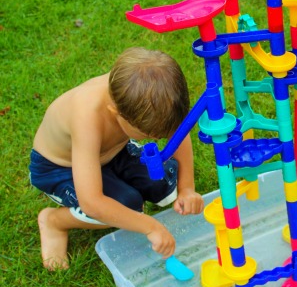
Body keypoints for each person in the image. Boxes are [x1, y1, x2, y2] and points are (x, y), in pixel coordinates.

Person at [30, 47, 205, 270]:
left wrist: (187, 188)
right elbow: (91, 202)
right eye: (148, 134)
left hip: (113, 151)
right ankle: (54, 222)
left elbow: (178, 133)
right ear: (116, 113)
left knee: (163, 185)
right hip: (60, 166)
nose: (158, 139)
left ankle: (122, 182)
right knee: (128, 206)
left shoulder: (141, 94)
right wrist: (150, 226)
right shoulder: (87, 115)